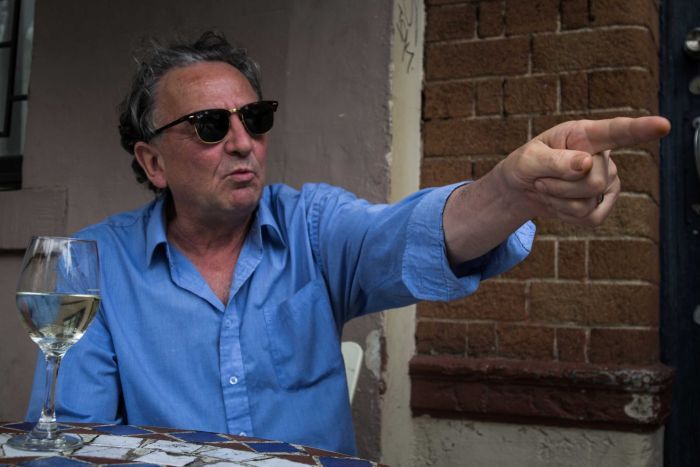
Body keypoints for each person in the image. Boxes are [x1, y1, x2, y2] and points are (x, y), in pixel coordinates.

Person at [27, 31, 670, 455]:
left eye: (254, 118)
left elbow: (401, 237)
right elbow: (72, 440)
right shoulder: (98, 264)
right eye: (207, 126)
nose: (243, 141)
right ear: (153, 162)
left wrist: (509, 194)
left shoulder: (312, 226)